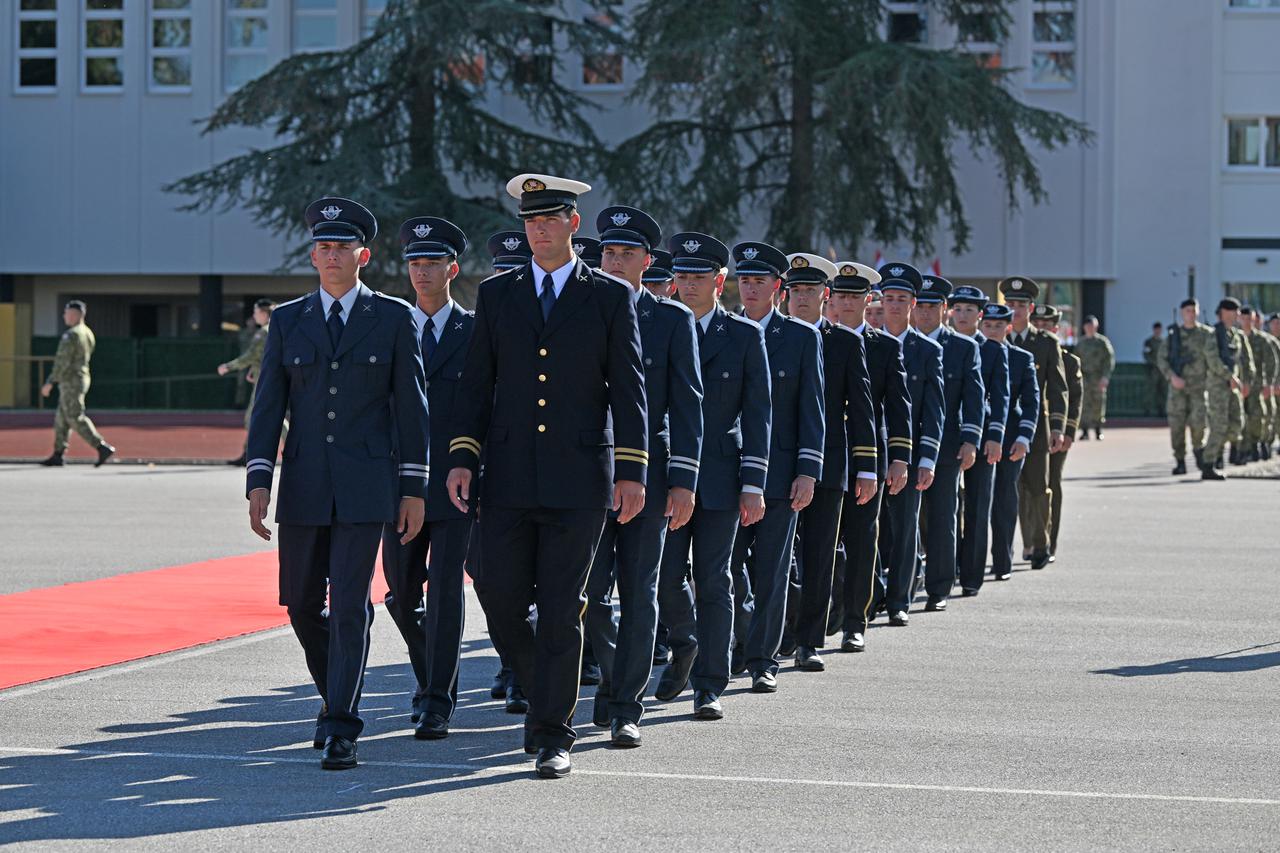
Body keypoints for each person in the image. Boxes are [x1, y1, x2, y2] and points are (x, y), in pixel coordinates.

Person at [445, 174, 648, 779]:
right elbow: (477, 382)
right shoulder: (499, 293)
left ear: (572, 225)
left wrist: (632, 471)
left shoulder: (609, 296)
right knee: (500, 599)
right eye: (530, 220)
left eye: (550, 218)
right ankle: (546, 691)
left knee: (561, 610)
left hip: (579, 477)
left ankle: (552, 732)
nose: (538, 228)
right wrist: (462, 456)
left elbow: (630, 390)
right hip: (506, 475)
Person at [244, 197, 429, 770]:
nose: (331, 255)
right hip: (303, 485)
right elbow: (268, 405)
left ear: (363, 256)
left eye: (342, 247)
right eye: (323, 247)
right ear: (312, 255)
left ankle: (344, 724)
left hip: (366, 485)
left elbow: (412, 409)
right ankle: (334, 699)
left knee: (351, 604)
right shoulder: (289, 319)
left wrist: (414, 488)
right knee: (302, 605)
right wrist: (258, 479)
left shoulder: (393, 318)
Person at [582, 205, 703, 748]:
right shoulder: (576, 309)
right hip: (584, 474)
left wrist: (683, 482)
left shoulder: (671, 319)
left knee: (640, 590)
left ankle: (627, 704)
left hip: (648, 476)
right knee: (586, 593)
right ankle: (609, 677)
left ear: (649, 262)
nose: (614, 260)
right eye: (608, 251)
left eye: (627, 253)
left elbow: (688, 404)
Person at [654, 231, 770, 721]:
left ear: (720, 281)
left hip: (722, 475)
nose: (687, 285)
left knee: (714, 580)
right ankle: (685, 645)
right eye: (681, 276)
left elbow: (759, 412)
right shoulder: (658, 326)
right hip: (667, 475)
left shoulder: (744, 336)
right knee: (664, 576)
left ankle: (709, 683)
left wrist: (753, 483)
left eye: (698, 277)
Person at [376, 216, 475, 740]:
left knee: (445, 593)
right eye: (415, 263)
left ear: (452, 268)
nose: (421, 271)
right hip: (398, 482)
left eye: (432, 262)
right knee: (399, 594)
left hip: (457, 484)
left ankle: (437, 698)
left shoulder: (475, 330)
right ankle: (432, 673)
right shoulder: (394, 325)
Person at [727, 247, 824, 690]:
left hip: (781, 474)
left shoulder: (802, 337)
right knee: (723, 568)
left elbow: (812, 409)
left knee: (772, 567)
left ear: (777, 289)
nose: (750, 288)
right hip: (726, 471)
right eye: (745, 281)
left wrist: (808, 470)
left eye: (760, 281)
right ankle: (731, 644)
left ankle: (762, 658)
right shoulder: (720, 330)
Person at [783, 260, 877, 670]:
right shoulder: (766, 334)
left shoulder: (842, 342)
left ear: (825, 295)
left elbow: (861, 409)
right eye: (796, 290)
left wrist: (868, 467)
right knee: (774, 556)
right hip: (776, 460)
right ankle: (775, 631)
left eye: (810, 290)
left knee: (819, 554)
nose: (802, 297)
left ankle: (808, 639)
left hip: (830, 462)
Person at [826, 262, 910, 652]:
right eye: (840, 295)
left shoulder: (884, 346)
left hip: (867, 457)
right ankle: (823, 614)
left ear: (867, 300)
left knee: (862, 541)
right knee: (820, 542)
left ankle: (855, 621)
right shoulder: (818, 339)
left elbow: (898, 407)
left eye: (854, 296)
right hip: (824, 454)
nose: (846, 303)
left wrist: (900, 458)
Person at [876, 262, 943, 626]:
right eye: (889, 298)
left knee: (904, 528)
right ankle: (872, 593)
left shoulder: (928, 350)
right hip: (870, 453)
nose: (895, 305)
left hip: (910, 454)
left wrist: (928, 458)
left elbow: (934, 410)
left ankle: (899, 598)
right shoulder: (867, 343)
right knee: (870, 529)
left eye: (902, 299)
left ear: (913, 304)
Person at [912, 275, 984, 611]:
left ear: (944, 309)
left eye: (931, 307)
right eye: (921, 306)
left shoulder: (963, 347)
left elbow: (973, 398)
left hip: (946, 445)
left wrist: (971, 440)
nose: (925, 313)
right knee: (906, 519)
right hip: (905, 444)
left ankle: (939, 588)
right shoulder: (902, 343)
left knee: (943, 516)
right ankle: (906, 581)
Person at [1001, 276, 1067, 570]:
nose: (1015, 310)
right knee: (1004, 492)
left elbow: (1058, 388)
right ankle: (1003, 549)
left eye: (1020, 305)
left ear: (1031, 308)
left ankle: (1040, 545)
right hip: (1001, 429)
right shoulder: (994, 338)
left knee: (1038, 488)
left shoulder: (1045, 342)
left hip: (1036, 429)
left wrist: (1057, 427)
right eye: (1010, 304)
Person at [948, 286, 1009, 597]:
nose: (962, 315)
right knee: (945, 508)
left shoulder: (993, 350)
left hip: (982, 438)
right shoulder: (943, 344)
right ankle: (946, 565)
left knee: (976, 505)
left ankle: (971, 574)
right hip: (948, 436)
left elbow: (1000, 398)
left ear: (980, 315)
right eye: (957, 309)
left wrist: (995, 436)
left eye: (969, 310)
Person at [983, 303, 1039, 583]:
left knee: (1005, 499)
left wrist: (1023, 438)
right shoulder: (974, 352)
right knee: (975, 502)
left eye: (998, 326)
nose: (992, 331)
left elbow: (1031, 403)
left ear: (1008, 328)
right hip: (980, 437)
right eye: (988, 325)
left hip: (1010, 440)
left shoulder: (1021, 358)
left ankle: (1002, 559)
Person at [39, 301, 116, 468]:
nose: (64, 316)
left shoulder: (72, 334)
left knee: (74, 416)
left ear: (74, 315)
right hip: (80, 377)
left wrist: (50, 382)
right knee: (62, 418)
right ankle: (58, 454)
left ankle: (101, 446)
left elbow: (63, 361)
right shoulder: (88, 333)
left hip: (71, 380)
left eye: (66, 313)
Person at [1031, 306, 1081, 561]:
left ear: (1055, 327)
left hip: (1056, 433)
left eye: (1046, 322)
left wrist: (1068, 431)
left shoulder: (1069, 361)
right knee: (1028, 487)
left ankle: (1050, 539)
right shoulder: (1026, 353)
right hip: (1033, 429)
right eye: (1036, 321)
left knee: (1052, 484)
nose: (1041, 326)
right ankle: (1032, 540)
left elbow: (1072, 399)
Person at [218, 298, 279, 467]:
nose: (254, 315)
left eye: (256, 312)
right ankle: (247, 453)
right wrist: (254, 370)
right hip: (268, 380)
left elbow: (251, 355)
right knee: (271, 418)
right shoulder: (272, 330)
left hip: (265, 383)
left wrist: (228, 367)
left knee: (255, 417)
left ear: (264, 313)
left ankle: (248, 454)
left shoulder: (264, 332)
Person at [1157, 299, 1212, 475]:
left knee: (1199, 423)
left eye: (1193, 310)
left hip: (1199, 387)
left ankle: (1199, 452)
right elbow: (1161, 359)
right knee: (1177, 426)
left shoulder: (1206, 334)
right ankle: (1180, 461)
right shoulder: (1174, 336)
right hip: (1178, 388)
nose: (1191, 314)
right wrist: (1171, 377)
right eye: (1187, 310)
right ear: (1182, 313)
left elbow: (1214, 359)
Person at [1199, 297, 1250, 480]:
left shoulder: (1234, 335)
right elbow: (1213, 361)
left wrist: (1242, 380)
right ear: (1225, 312)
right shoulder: (1213, 335)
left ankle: (1211, 451)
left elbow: (1240, 361)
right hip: (1218, 387)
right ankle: (1208, 464)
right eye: (1235, 311)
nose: (1238, 315)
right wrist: (1230, 377)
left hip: (1233, 387)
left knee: (1237, 424)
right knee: (1218, 426)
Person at [1239, 308, 1276, 462]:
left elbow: (1272, 362)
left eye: (1251, 319)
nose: (1248, 322)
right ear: (1240, 319)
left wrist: (1269, 384)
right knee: (1240, 417)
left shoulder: (1262, 340)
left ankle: (1256, 444)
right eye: (1245, 319)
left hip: (1258, 386)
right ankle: (1241, 449)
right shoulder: (1235, 338)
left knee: (1258, 417)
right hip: (1239, 385)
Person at [1076, 315, 1115, 440]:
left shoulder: (1102, 342)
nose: (1090, 328)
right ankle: (1085, 430)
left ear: (1096, 327)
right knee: (1084, 403)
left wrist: (1105, 377)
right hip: (1085, 378)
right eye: (1088, 326)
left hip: (1098, 377)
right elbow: (1075, 361)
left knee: (1099, 403)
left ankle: (1098, 429)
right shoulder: (1080, 343)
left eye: (1092, 326)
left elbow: (1109, 360)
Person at [1142, 322, 1167, 417]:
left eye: (1159, 329)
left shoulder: (1164, 342)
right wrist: (1155, 363)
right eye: (1156, 329)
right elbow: (1146, 354)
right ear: (1154, 330)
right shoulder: (1149, 342)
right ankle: (1147, 410)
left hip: (1163, 370)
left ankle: (1162, 410)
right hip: (1153, 370)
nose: (1158, 331)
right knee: (1150, 390)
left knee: (1163, 391)